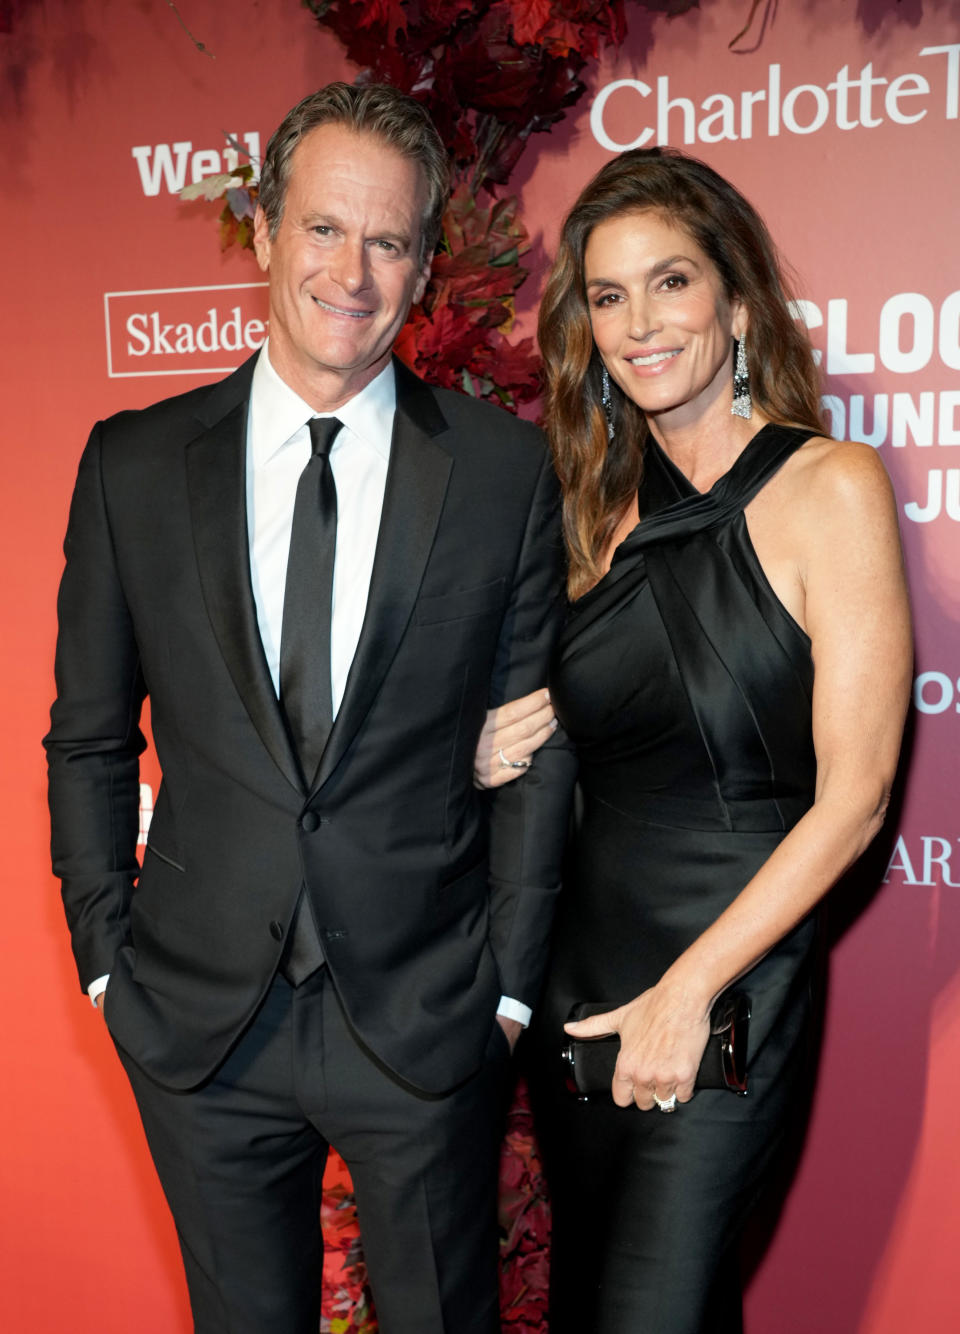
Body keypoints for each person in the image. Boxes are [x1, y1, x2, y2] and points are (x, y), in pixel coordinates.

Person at [45, 83, 575, 1334]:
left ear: (424, 265)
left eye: (388, 240)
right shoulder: (132, 464)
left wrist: (504, 990)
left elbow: (536, 745)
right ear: (266, 231)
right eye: (324, 229)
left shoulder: (502, 473)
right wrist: (104, 967)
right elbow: (88, 733)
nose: (353, 270)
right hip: (196, 1022)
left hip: (424, 1013)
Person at [476, 146, 911, 1332]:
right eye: (607, 297)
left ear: (733, 293)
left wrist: (692, 986)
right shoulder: (594, 506)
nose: (638, 323)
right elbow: (644, 689)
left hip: (729, 984)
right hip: (583, 979)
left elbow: (858, 796)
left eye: (669, 282)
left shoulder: (830, 486)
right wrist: (526, 725)